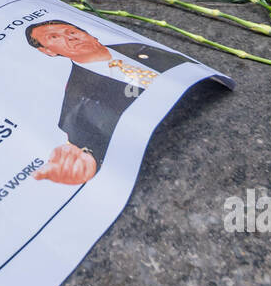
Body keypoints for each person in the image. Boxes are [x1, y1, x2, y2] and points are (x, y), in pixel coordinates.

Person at [25, 20, 196, 186]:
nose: (71, 37)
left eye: (71, 31)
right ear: (47, 51)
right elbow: (93, 149)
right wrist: (86, 164)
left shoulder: (141, 46)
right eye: (54, 37)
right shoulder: (76, 104)